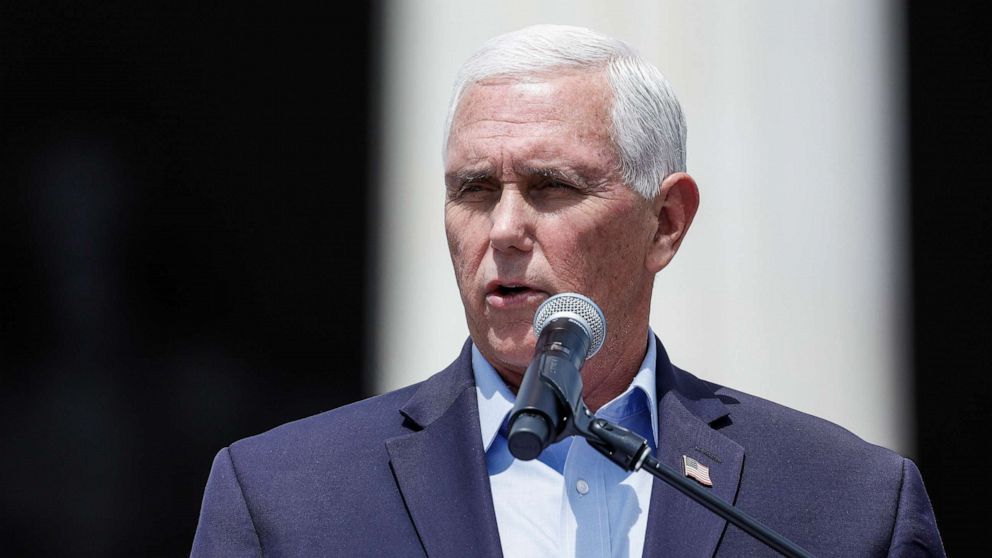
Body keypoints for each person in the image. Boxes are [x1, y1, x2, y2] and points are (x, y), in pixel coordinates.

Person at [191, 24, 944, 557]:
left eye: (552, 187)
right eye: (475, 189)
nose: (505, 229)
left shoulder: (844, 505)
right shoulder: (284, 500)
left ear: (666, 223)